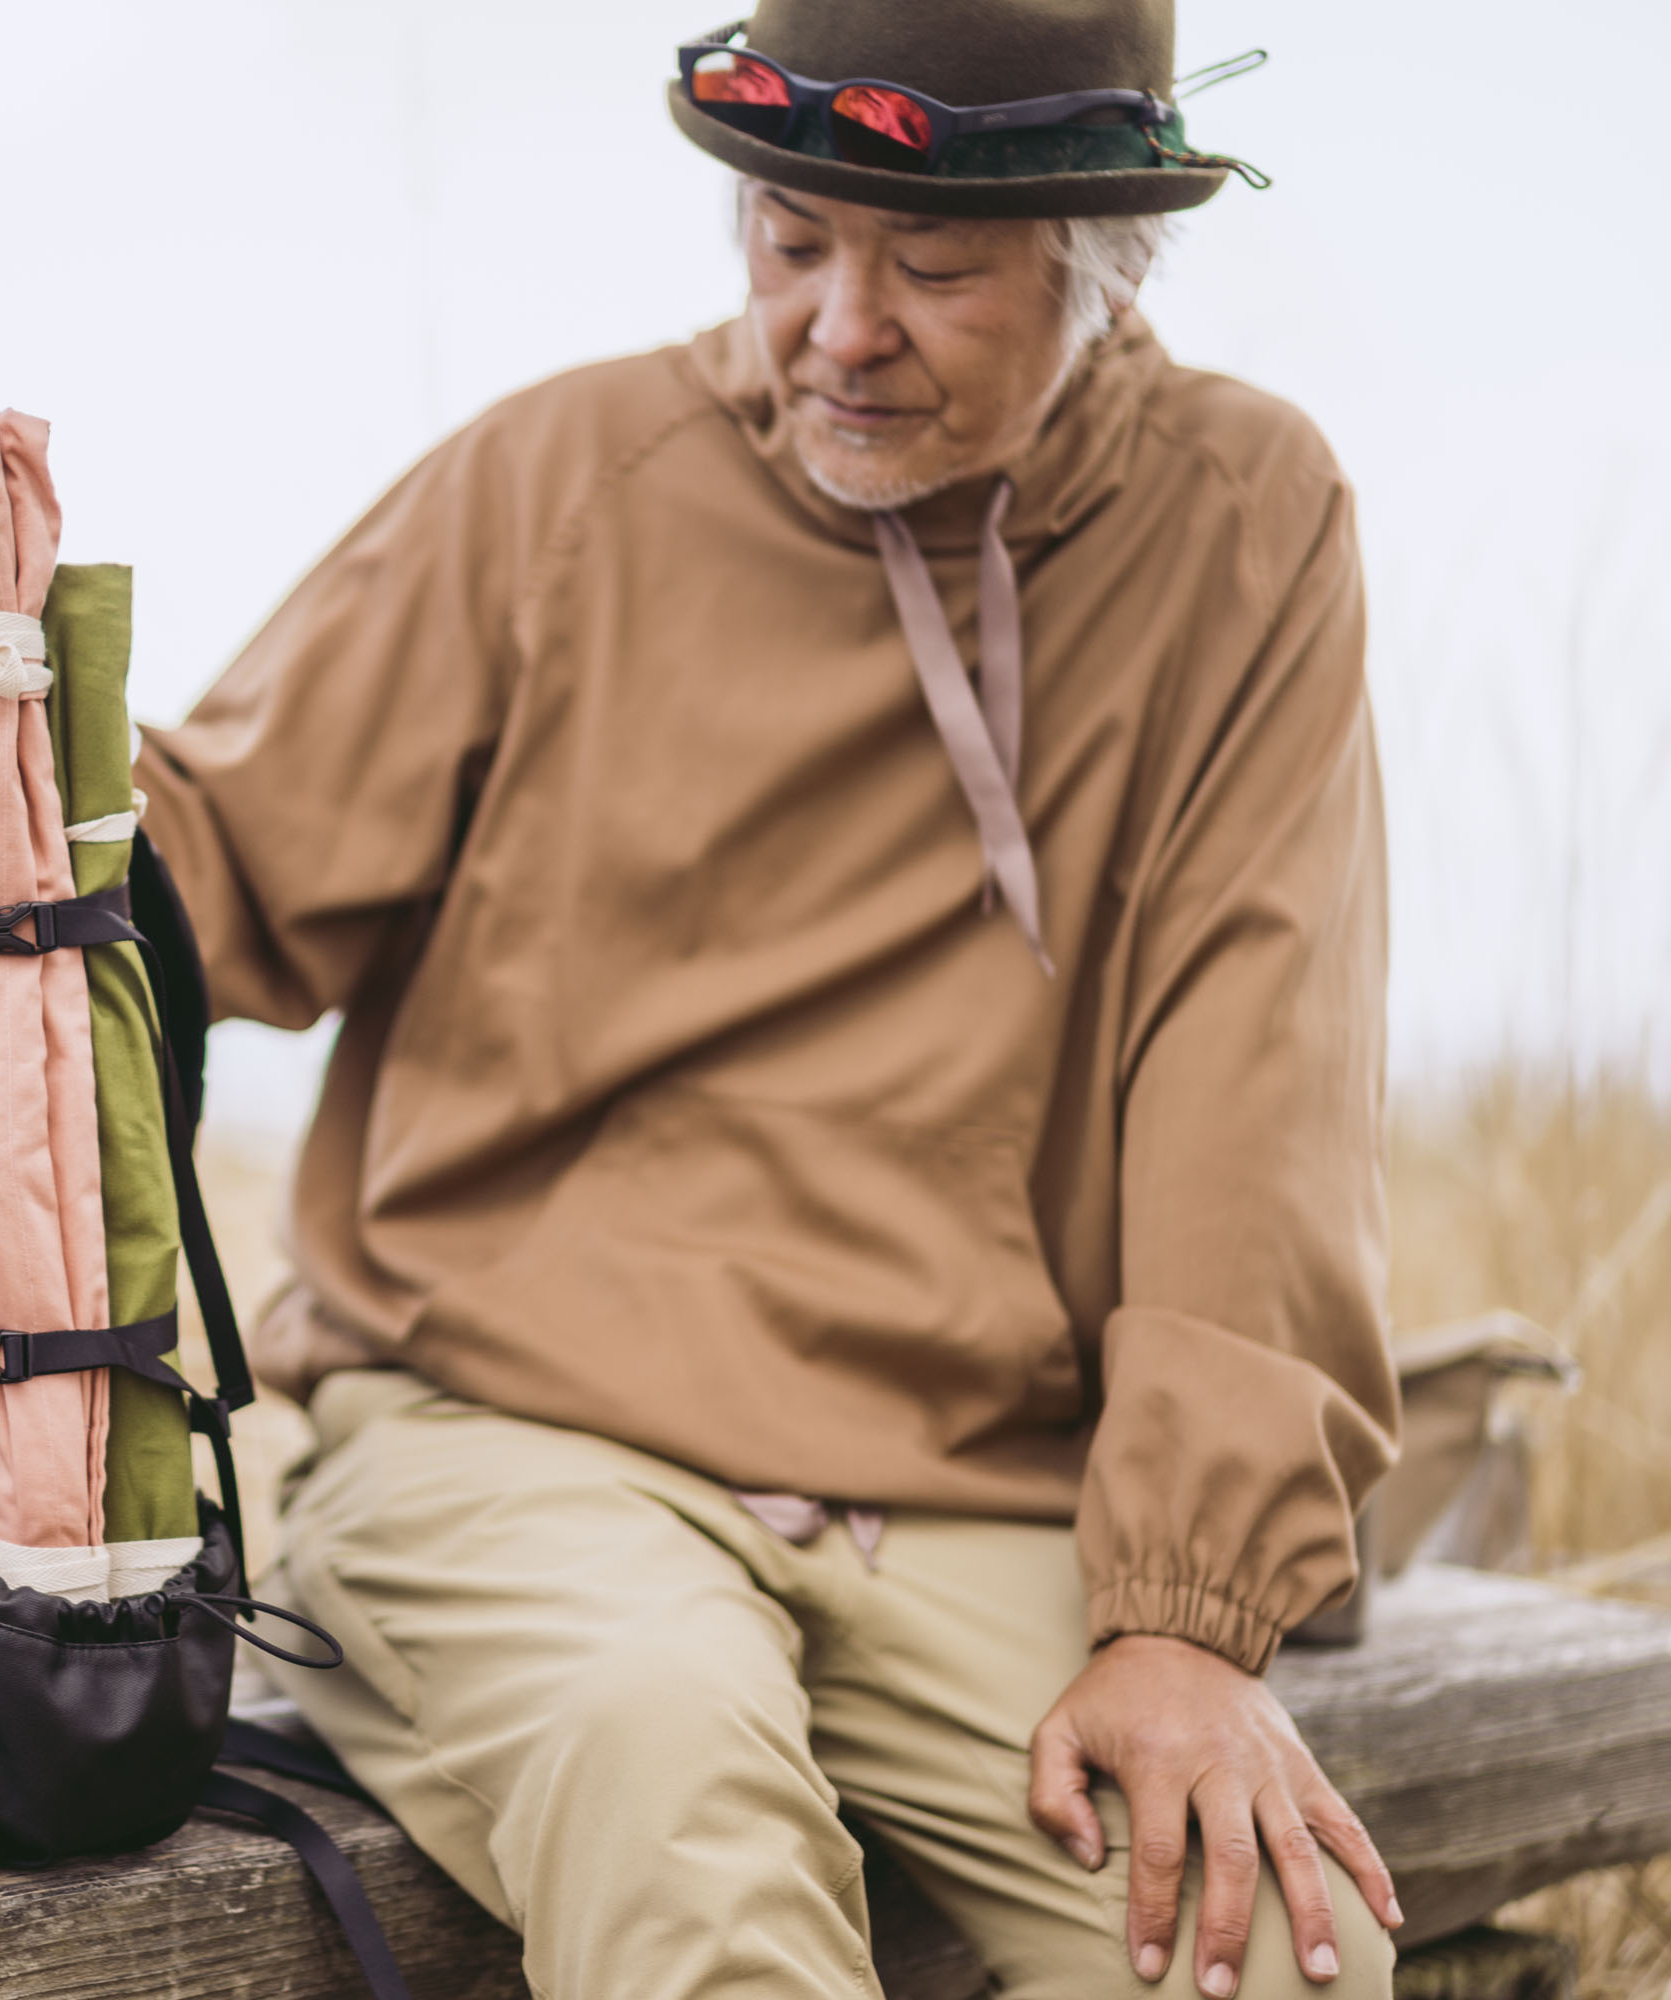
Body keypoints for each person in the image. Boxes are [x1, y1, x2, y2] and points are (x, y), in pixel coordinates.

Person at [129, 2, 1405, 1994]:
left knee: (1261, 1948)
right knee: (684, 1818)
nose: (839, 326)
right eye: (794, 242)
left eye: (938, 269)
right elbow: (197, 874)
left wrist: (1182, 1608)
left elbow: (1260, 1068)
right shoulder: (561, 477)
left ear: (1099, 263)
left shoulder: (1242, 520)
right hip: (511, 1431)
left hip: (979, 1482)